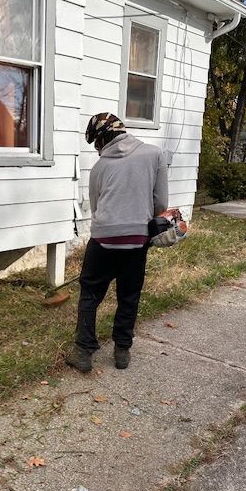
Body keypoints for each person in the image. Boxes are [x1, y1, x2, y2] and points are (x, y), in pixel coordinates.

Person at [66, 112, 168, 373]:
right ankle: (122, 351)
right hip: (136, 240)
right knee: (129, 295)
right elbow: (161, 204)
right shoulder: (154, 154)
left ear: (102, 138)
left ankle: (83, 352)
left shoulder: (99, 168)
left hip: (103, 240)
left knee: (90, 295)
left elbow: (98, 206)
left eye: (96, 144)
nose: (97, 150)